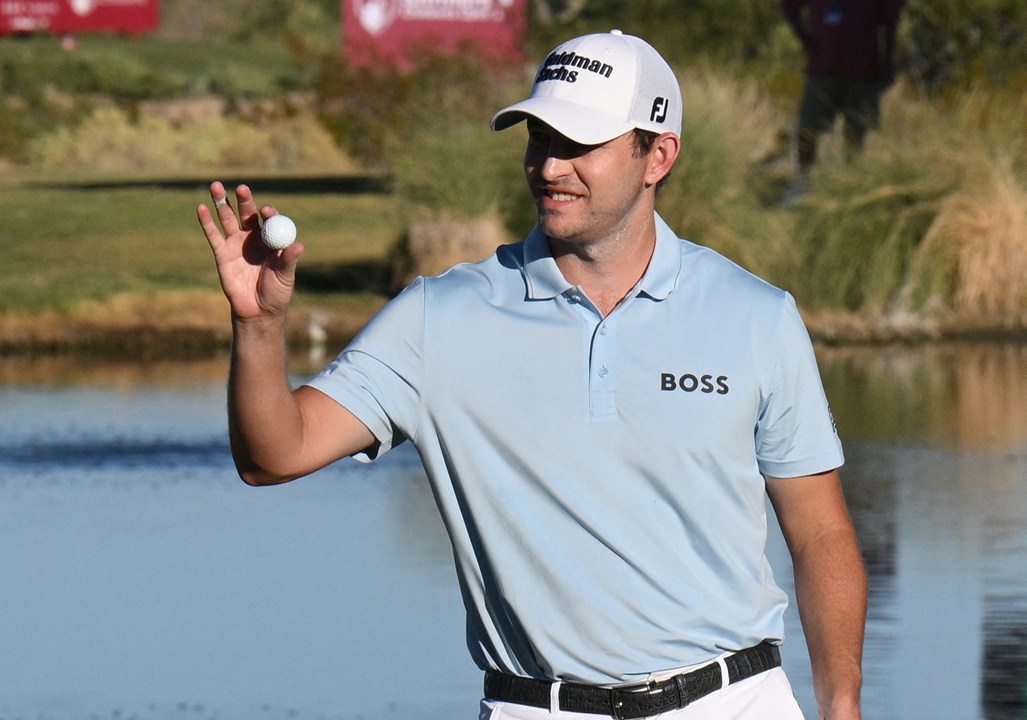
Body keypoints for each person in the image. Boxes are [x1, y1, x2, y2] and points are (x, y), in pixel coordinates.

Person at [197, 30, 867, 720]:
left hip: (733, 702)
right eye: (539, 138)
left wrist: (841, 705)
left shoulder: (756, 316)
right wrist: (258, 326)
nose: (550, 167)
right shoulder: (438, 318)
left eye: (580, 144)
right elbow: (274, 456)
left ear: (656, 155)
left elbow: (819, 531)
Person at [780, 0, 904, 202]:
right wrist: (805, 40)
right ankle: (801, 182)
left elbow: (890, 21)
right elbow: (789, 7)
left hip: (863, 67)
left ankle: (849, 185)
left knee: (856, 131)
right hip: (823, 66)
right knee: (808, 125)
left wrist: (888, 62)